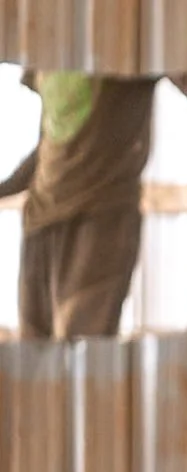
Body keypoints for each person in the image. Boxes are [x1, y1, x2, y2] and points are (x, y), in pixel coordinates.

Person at [0, 70, 156, 339]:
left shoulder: (123, 44)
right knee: (35, 355)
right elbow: (52, 142)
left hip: (100, 216)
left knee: (82, 351)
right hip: (41, 220)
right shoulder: (44, 53)